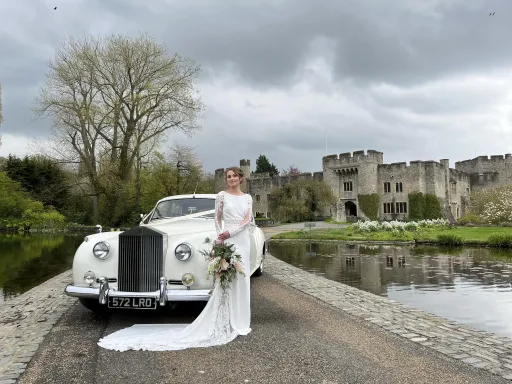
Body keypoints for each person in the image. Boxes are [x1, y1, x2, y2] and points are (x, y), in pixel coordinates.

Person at [97, 166, 253, 351]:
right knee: (226, 279)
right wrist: (221, 235)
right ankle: (225, 316)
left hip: (240, 239)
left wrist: (229, 232)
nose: (231, 178)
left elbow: (247, 220)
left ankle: (240, 320)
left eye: (234, 176)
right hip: (225, 238)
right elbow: (217, 218)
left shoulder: (247, 198)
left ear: (240, 178)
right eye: (228, 176)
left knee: (242, 278)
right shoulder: (221, 196)